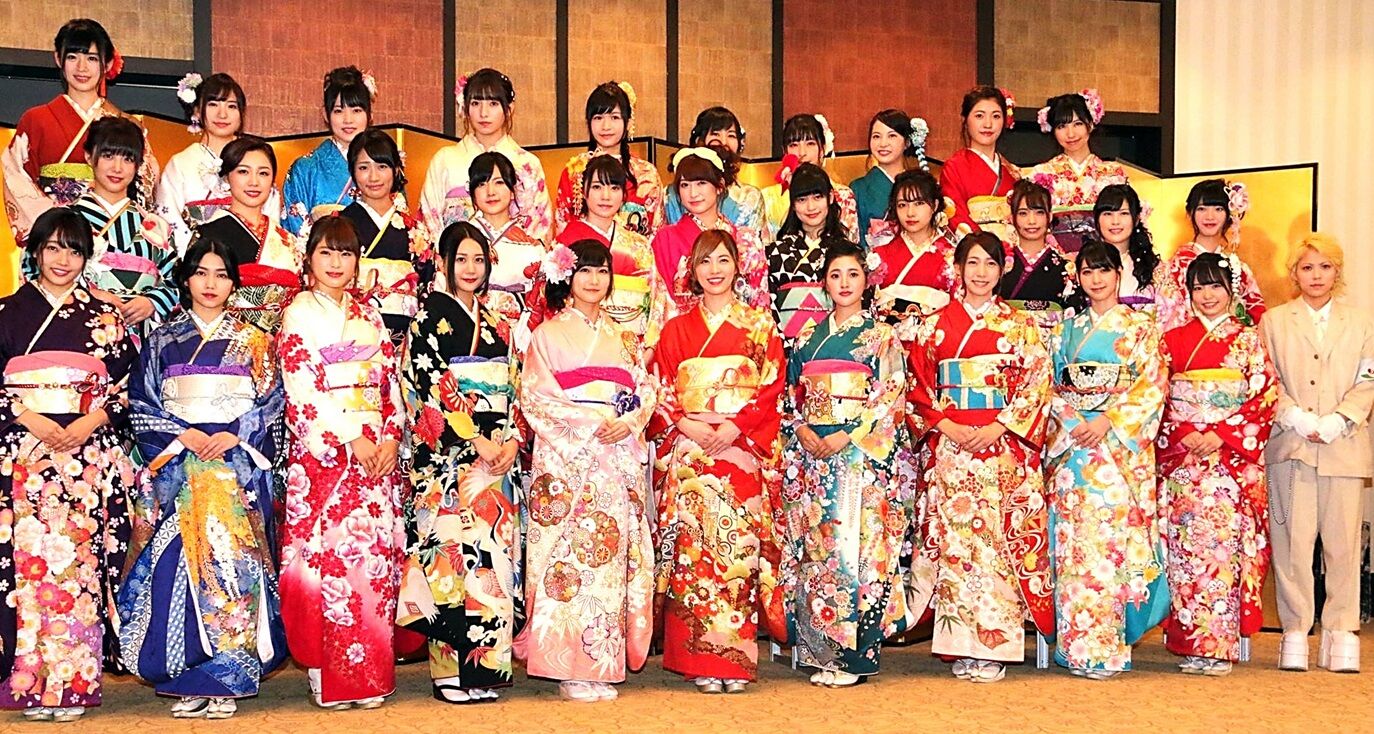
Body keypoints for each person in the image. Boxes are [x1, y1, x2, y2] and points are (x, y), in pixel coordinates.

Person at [118, 237, 287, 718]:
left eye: (221, 274)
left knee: (233, 570)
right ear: (186, 278)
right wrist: (182, 436)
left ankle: (227, 677)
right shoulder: (161, 340)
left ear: (234, 284)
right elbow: (142, 402)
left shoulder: (255, 341)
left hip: (234, 469)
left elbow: (273, 402)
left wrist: (236, 434)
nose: (211, 284)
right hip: (180, 465)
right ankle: (185, 675)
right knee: (175, 568)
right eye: (201, 273)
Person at [0, 207, 136, 722]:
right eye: (53, 247)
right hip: (24, 454)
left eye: (74, 250)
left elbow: (127, 386)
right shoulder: (6, 311)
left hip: (84, 458)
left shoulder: (106, 319)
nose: (62, 259)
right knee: (28, 571)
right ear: (35, 251)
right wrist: (28, 417)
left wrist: (93, 419)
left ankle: (75, 683)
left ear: (86, 257)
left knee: (78, 569)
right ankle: (30, 683)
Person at [906, 231, 1053, 683]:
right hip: (952, 446)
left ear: (1002, 270)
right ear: (958, 268)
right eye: (972, 263)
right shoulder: (932, 325)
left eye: (990, 263)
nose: (981, 272)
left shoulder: (1021, 326)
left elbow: (1036, 384)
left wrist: (998, 426)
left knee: (994, 546)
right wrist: (945, 425)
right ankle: (959, 644)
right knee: (957, 544)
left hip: (1000, 447)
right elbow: (917, 387)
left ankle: (994, 645)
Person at [516, 240, 656, 702]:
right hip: (569, 462)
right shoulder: (546, 334)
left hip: (613, 457)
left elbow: (645, 390)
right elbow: (536, 396)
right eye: (585, 271)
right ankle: (567, 666)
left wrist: (629, 422)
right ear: (567, 278)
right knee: (568, 560)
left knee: (606, 562)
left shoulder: (625, 337)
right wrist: (592, 423)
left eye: (602, 271)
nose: (595, 280)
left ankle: (601, 664)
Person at [276, 217, 404, 709]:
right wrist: (352, 438)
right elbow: (302, 386)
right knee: (326, 562)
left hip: (374, 455)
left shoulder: (369, 315)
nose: (336, 263)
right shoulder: (297, 314)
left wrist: (390, 436)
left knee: (372, 564)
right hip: (327, 458)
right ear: (308, 258)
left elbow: (389, 383)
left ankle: (368, 675)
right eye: (326, 253)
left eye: (346, 253)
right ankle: (326, 674)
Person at [651, 229, 786, 694]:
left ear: (737, 266)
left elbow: (771, 386)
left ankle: (734, 661)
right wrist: (683, 423)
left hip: (739, 451)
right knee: (693, 555)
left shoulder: (760, 326)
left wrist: (738, 427)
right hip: (691, 451)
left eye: (723, 260)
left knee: (737, 556)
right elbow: (660, 387)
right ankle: (699, 661)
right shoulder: (675, 329)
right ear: (692, 270)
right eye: (705, 261)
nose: (714, 270)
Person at [399, 221, 523, 703]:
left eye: (479, 260)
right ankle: (449, 672)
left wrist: (510, 439)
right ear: (444, 263)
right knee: (451, 562)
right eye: (461, 259)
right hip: (450, 461)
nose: (471, 269)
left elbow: (514, 387)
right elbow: (425, 388)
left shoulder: (499, 324)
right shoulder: (427, 321)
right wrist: (474, 440)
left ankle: (485, 671)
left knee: (491, 563)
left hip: (494, 462)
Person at [782, 241, 910, 687]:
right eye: (835, 275)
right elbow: (789, 395)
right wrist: (801, 428)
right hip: (814, 456)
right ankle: (821, 652)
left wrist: (847, 434)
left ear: (866, 281)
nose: (844, 283)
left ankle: (852, 659)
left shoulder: (882, 336)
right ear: (824, 283)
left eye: (852, 274)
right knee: (818, 551)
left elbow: (890, 396)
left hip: (858, 456)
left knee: (857, 549)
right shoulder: (805, 338)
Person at [1045, 239, 1168, 678]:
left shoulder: (1142, 328)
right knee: (1075, 545)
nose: (1095, 279)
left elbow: (1152, 385)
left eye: (1104, 270)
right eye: (1087, 271)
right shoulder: (1064, 330)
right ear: (1078, 278)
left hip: (1116, 449)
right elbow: (1049, 385)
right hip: (1074, 448)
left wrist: (1108, 421)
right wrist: (1073, 421)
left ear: (1119, 274)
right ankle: (1076, 646)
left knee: (1113, 545)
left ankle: (1108, 649)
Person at [1158, 252, 1277, 676]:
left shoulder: (1248, 340)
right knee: (1185, 551)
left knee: (1222, 551)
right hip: (1185, 461)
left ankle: (1219, 645)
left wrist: (1221, 435)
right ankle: (1190, 643)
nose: (1207, 295)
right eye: (1198, 287)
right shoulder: (1172, 339)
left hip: (1226, 462)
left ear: (1232, 291)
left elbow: (1264, 396)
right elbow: (1156, 396)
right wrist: (1180, 430)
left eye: (1215, 286)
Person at [1260, 233, 1374, 674]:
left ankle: (1341, 628)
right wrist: (1293, 416)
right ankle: (1295, 627)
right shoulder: (1273, 321)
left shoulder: (1361, 323)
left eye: (1325, 267)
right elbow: (1265, 377)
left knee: (1343, 543)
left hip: (1344, 445)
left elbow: (1368, 379)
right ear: (1294, 273)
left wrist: (1341, 418)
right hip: (1292, 445)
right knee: (1293, 543)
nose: (1316, 276)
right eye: (1307, 267)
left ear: (1337, 272)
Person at [2, 19, 158, 242]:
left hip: (114, 239)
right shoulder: (35, 120)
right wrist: (59, 229)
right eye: (72, 57)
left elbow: (145, 189)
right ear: (58, 59)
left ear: (107, 63)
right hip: (56, 238)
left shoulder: (127, 126)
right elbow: (16, 179)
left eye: (92, 58)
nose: (81, 67)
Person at [70, 117, 177, 343]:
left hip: (142, 333)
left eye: (128, 159)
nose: (117, 168)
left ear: (138, 164)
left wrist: (153, 301)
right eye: (108, 156)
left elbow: (179, 280)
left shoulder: (155, 226)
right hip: (82, 329)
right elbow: (38, 275)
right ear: (89, 156)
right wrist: (90, 295)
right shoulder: (65, 222)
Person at [156, 72, 282, 254]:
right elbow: (168, 217)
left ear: (241, 113)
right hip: (199, 260)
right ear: (197, 110)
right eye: (213, 104)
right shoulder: (181, 163)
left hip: (253, 259)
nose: (222, 114)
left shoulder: (255, 158)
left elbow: (271, 216)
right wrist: (199, 256)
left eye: (231, 106)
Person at [420, 68, 552, 240]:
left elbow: (540, 229)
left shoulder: (527, 164)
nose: (483, 113)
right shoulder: (444, 160)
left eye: (493, 104)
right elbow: (428, 221)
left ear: (509, 108)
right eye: (475, 103)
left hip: (514, 256)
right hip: (456, 254)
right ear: (465, 107)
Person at [555, 154, 669, 351]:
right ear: (584, 192)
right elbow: (553, 301)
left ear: (624, 194)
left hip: (634, 345)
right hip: (580, 343)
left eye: (614, 188)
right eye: (597, 187)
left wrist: (649, 347)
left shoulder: (639, 244)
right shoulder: (566, 243)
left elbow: (657, 298)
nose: (606, 196)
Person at [194, 136, 301, 335]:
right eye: (243, 171)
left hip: (282, 338)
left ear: (272, 180)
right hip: (226, 337)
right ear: (227, 177)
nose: (254, 182)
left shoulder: (287, 239)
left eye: (263, 173)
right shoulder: (206, 234)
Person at [338, 128, 433, 350]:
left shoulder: (415, 231)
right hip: (352, 332)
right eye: (363, 167)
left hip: (406, 337)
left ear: (396, 169)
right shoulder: (338, 226)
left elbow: (427, 287)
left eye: (382, 166)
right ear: (352, 172)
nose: (373, 177)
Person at [651, 146, 769, 312]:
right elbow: (659, 299)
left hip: (739, 326)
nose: (693, 193)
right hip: (684, 326)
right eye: (685, 185)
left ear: (720, 186)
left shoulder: (746, 241)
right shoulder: (665, 239)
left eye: (701, 183)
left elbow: (759, 301)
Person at [554, 81, 663, 237]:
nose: (606, 126)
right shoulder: (575, 172)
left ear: (628, 123)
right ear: (589, 122)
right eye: (598, 118)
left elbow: (657, 232)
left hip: (636, 252)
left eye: (614, 117)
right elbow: (563, 228)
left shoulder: (646, 174)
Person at [1024, 89, 1127, 253]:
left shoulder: (1114, 174)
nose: (1070, 134)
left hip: (1104, 258)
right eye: (1061, 126)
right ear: (1053, 130)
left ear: (1090, 124)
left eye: (1078, 124)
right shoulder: (1041, 175)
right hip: (1055, 255)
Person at [466, 151, 549, 356]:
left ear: (512, 191)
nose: (490, 192)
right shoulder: (460, 240)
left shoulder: (533, 247)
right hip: (468, 331)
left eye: (499, 183)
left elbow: (538, 302)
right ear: (472, 193)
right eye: (481, 184)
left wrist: (522, 340)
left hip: (519, 336)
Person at [1155, 179, 1265, 332]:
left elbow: (1257, 316)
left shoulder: (1239, 269)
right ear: (1190, 213)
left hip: (1233, 343)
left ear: (1230, 214)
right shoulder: (1174, 268)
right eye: (1202, 209)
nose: (1210, 216)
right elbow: (1167, 320)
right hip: (1189, 343)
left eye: (1218, 209)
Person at [868, 169, 959, 344]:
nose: (910, 213)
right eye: (902, 205)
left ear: (934, 205)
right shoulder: (879, 256)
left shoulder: (953, 257)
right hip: (888, 346)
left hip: (934, 344)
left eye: (919, 203)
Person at [281, 66, 374, 235]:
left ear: (369, 114)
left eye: (356, 110)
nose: (348, 119)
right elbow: (296, 232)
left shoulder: (385, 166)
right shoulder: (305, 168)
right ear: (325, 114)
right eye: (338, 111)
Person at [768, 163, 851, 346]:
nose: (810, 207)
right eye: (802, 199)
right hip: (787, 346)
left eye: (817, 197)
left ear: (830, 197)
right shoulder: (775, 253)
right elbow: (768, 307)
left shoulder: (847, 251)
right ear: (793, 204)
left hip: (836, 345)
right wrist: (783, 349)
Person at [663, 106, 766, 234]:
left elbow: (756, 241)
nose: (723, 142)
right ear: (700, 140)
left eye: (731, 135)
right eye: (715, 134)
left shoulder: (750, 196)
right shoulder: (671, 195)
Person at [940, 86, 1020, 240]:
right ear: (965, 120)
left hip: (1012, 245)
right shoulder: (954, 167)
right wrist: (986, 246)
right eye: (979, 116)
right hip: (975, 247)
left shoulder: (1012, 171)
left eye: (996, 116)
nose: (988, 124)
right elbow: (955, 215)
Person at [761, 114, 859, 240]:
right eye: (794, 145)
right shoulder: (768, 198)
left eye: (810, 143)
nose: (802, 153)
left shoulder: (843, 196)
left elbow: (850, 243)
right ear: (785, 152)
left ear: (822, 149)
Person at [997, 179, 1073, 338]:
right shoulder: (998, 264)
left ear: (1049, 216)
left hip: (1053, 343)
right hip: (1006, 343)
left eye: (1039, 212)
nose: (1031, 221)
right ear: (1012, 218)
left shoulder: (1066, 269)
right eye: (1023, 213)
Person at [849, 109, 928, 246]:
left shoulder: (922, 186)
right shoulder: (858, 188)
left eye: (892, 136)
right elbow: (856, 240)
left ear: (907, 142)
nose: (883, 143)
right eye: (876, 136)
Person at [1092, 183, 1159, 312]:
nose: (1115, 221)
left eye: (1123, 213)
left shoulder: (1156, 269)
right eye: (1108, 214)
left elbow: (1169, 315)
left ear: (1137, 219)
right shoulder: (1082, 266)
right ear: (1097, 219)